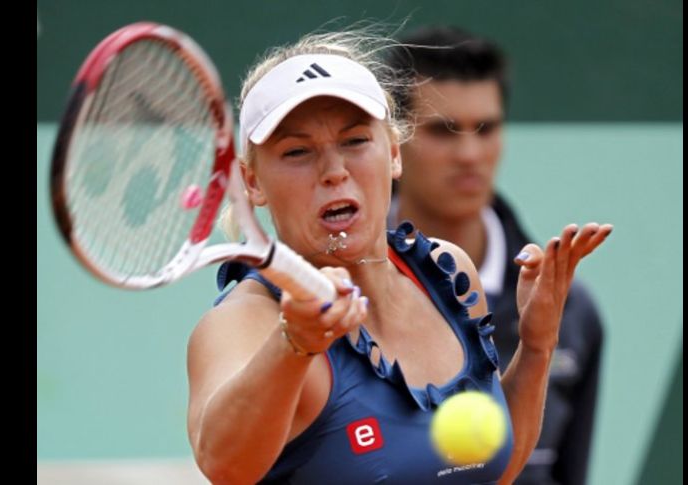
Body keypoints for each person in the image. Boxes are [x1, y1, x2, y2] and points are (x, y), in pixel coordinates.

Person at [186, 28, 611, 485]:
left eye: (355, 141)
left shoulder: (449, 273)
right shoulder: (241, 323)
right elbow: (225, 465)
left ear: (393, 153)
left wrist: (536, 344)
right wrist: (295, 344)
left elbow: (491, 470)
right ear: (252, 182)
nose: (334, 171)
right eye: (297, 151)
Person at [385, 26, 607, 485]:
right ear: (393, 144)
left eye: (485, 128)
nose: (470, 153)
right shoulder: (334, 294)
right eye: (443, 131)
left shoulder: (573, 309)